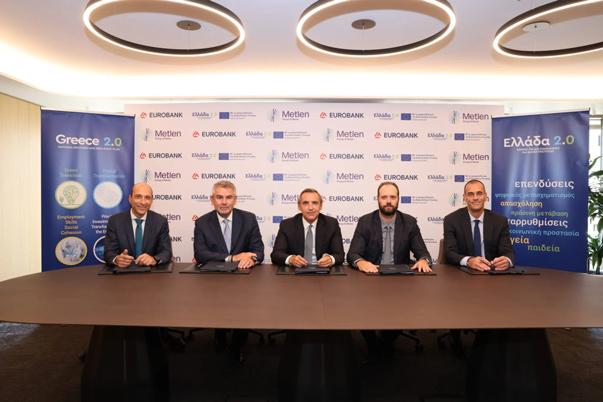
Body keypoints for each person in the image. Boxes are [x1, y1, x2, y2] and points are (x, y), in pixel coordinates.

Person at [347, 181, 432, 359]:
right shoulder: (365, 222)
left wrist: (423, 260)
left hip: (399, 280)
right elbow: (353, 254)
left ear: (398, 199)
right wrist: (361, 262)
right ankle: (372, 344)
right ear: (378, 199)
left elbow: (423, 252)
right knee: (361, 308)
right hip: (371, 278)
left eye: (392, 197)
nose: (388, 201)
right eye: (384, 197)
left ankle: (387, 341)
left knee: (401, 309)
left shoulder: (409, 222)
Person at [193, 180, 265, 361]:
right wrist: (231, 258)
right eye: (219, 197)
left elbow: (259, 251)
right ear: (212, 199)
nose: (224, 202)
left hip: (243, 278)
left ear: (235, 199)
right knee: (219, 305)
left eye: (228, 197)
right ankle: (220, 334)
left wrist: (251, 258)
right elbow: (200, 254)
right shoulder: (202, 222)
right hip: (215, 278)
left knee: (242, 308)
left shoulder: (248, 219)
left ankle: (238, 344)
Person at [443, 179, 514, 271]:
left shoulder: (500, 221)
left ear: (485, 196)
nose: (475, 198)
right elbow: (449, 253)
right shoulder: (451, 220)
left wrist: (507, 261)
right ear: (464, 198)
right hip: (464, 273)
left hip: (492, 272)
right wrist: (469, 261)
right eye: (470, 194)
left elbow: (508, 252)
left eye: (479, 193)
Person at [270, 188, 344, 267]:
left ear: (321, 206)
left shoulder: (331, 224)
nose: (310, 208)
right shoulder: (287, 225)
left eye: (315, 203)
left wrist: (331, 259)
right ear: (299, 206)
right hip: (295, 271)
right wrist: (291, 259)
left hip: (322, 270)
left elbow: (340, 255)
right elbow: (276, 255)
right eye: (305, 203)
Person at [104, 182, 172, 267]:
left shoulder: (160, 221)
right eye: (138, 197)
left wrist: (154, 259)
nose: (143, 202)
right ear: (130, 199)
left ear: (151, 201)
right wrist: (117, 259)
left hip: (151, 272)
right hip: (123, 272)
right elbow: (109, 253)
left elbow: (166, 252)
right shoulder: (115, 221)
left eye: (147, 198)